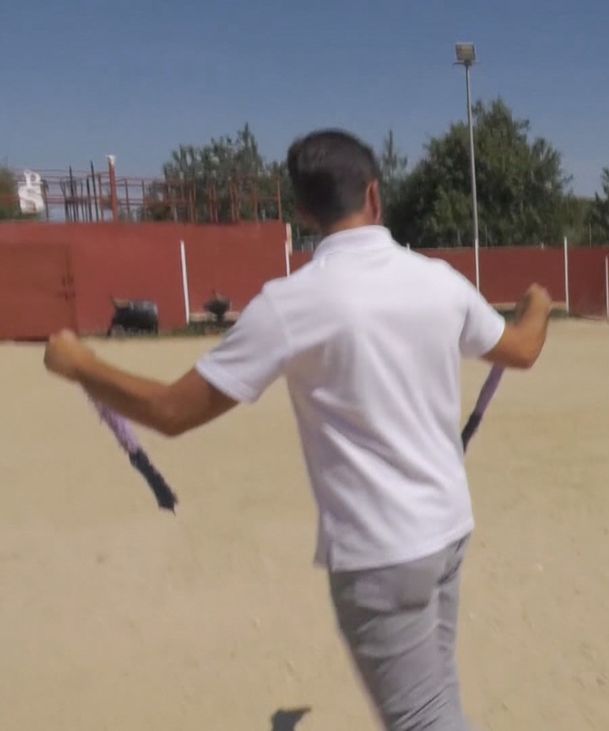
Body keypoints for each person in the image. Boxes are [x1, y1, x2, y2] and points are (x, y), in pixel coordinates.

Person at [42, 129, 551, 731]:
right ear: (375, 195)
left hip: (380, 555)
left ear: (304, 212)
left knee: (424, 717)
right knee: (436, 702)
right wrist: (536, 305)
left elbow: (172, 413)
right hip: (446, 531)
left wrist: (82, 365)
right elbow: (521, 349)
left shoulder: (290, 303)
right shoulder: (439, 282)